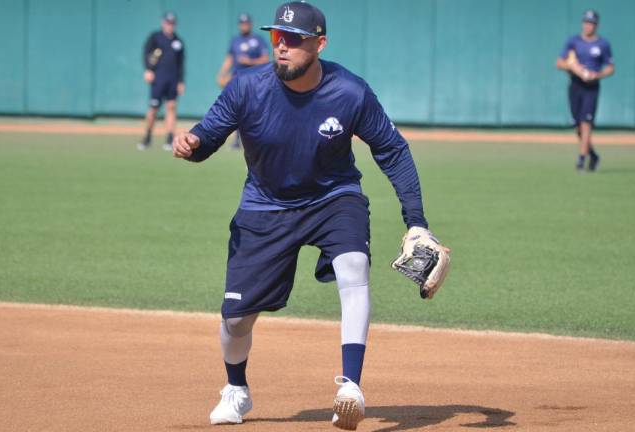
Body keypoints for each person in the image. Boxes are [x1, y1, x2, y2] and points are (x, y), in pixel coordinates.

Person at [172, 2, 449, 429]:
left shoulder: (350, 92)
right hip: (266, 205)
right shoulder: (246, 88)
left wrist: (416, 220)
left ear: (319, 44)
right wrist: (191, 143)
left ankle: (350, 386)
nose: (282, 47)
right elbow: (206, 138)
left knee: (353, 265)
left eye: (295, 40)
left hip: (333, 197)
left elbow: (392, 149)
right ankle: (236, 389)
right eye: (277, 38)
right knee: (236, 318)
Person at [556, 9, 614, 172]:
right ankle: (593, 155)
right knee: (578, 127)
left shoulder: (602, 44)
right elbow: (559, 63)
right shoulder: (573, 42)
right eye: (587, 22)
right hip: (575, 85)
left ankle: (581, 160)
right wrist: (574, 68)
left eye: (592, 23)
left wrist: (598, 74)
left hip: (592, 87)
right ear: (583, 23)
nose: (589, 26)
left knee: (586, 123)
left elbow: (610, 68)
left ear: (597, 25)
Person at [216, 13, 270, 149]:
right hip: (237, 81)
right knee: (238, 110)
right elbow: (229, 58)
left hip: (254, 81)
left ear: (250, 24)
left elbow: (265, 59)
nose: (244, 25)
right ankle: (236, 140)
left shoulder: (258, 40)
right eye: (242, 23)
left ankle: (257, 139)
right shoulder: (235, 40)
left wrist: (249, 61)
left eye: (246, 23)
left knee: (255, 111)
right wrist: (222, 74)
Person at [139, 11, 185, 151]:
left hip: (172, 79)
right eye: (167, 23)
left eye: (172, 23)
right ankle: (147, 137)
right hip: (158, 79)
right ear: (163, 23)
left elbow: (181, 64)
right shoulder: (155, 37)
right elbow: (146, 53)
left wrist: (181, 82)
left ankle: (170, 138)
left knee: (171, 107)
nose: (170, 26)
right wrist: (148, 70)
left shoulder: (178, 41)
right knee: (153, 109)